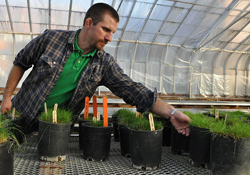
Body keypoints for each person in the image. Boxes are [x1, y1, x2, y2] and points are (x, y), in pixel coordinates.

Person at [0, 3, 190, 135]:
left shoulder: (104, 64)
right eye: (106, 30)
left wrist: (172, 113)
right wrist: (7, 97)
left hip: (56, 129)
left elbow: (134, 91)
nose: (110, 38)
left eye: (113, 32)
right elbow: (21, 62)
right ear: (89, 23)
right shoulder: (51, 39)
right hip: (20, 115)